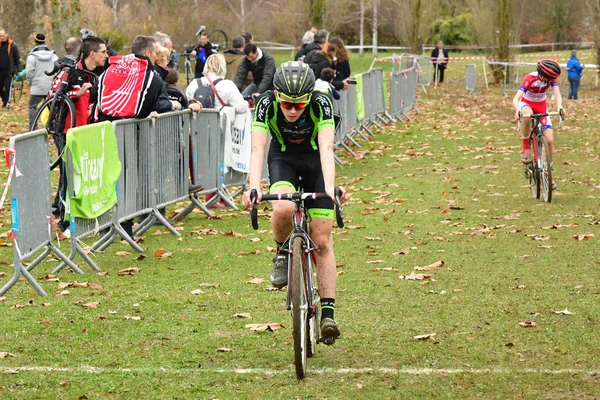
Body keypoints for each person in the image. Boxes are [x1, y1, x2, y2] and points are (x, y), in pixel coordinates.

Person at [241, 61, 349, 343]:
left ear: (308, 98)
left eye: (299, 105)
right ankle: (281, 253)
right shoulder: (265, 104)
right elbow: (257, 148)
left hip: (314, 162)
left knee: (322, 240)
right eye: (287, 104)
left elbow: (326, 147)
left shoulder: (321, 102)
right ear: (277, 96)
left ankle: (327, 313)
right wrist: (253, 187)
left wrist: (330, 188)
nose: (291, 110)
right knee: (283, 207)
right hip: (283, 159)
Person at [96, 35, 202, 238]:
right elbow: (159, 103)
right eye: (154, 53)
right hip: (130, 134)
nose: (156, 56)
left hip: (105, 129)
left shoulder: (114, 68)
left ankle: (105, 226)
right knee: (129, 180)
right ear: (147, 53)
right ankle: (124, 226)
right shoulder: (150, 77)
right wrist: (176, 105)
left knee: (109, 179)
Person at [51, 36, 108, 235]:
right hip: (65, 130)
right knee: (68, 173)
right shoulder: (70, 71)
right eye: (103, 52)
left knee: (82, 173)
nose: (107, 55)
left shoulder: (98, 73)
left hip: (86, 130)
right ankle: (63, 219)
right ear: (92, 53)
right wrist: (77, 94)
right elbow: (52, 95)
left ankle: (81, 215)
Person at [512, 59, 563, 190]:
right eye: (547, 79)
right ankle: (526, 148)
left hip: (541, 105)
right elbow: (516, 98)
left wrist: (560, 107)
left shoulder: (551, 78)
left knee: (550, 140)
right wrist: (517, 109)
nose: (549, 81)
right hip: (527, 103)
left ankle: (548, 171)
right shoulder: (530, 78)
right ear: (541, 74)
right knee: (527, 117)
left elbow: (557, 93)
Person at [26, 33, 58, 127]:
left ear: (35, 42)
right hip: (51, 85)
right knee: (52, 106)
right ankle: (53, 124)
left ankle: (33, 126)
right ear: (45, 41)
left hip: (37, 86)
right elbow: (58, 70)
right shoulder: (53, 56)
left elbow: (29, 72)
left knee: (32, 106)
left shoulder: (32, 56)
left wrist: (30, 82)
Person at [0, 29, 21, 109]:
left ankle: (7, 104)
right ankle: (5, 99)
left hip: (9, 70)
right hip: (0, 70)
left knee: (8, 86)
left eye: (3, 36)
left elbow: (17, 58)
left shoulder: (12, 45)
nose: (1, 38)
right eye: (0, 36)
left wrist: (19, 70)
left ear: (7, 34)